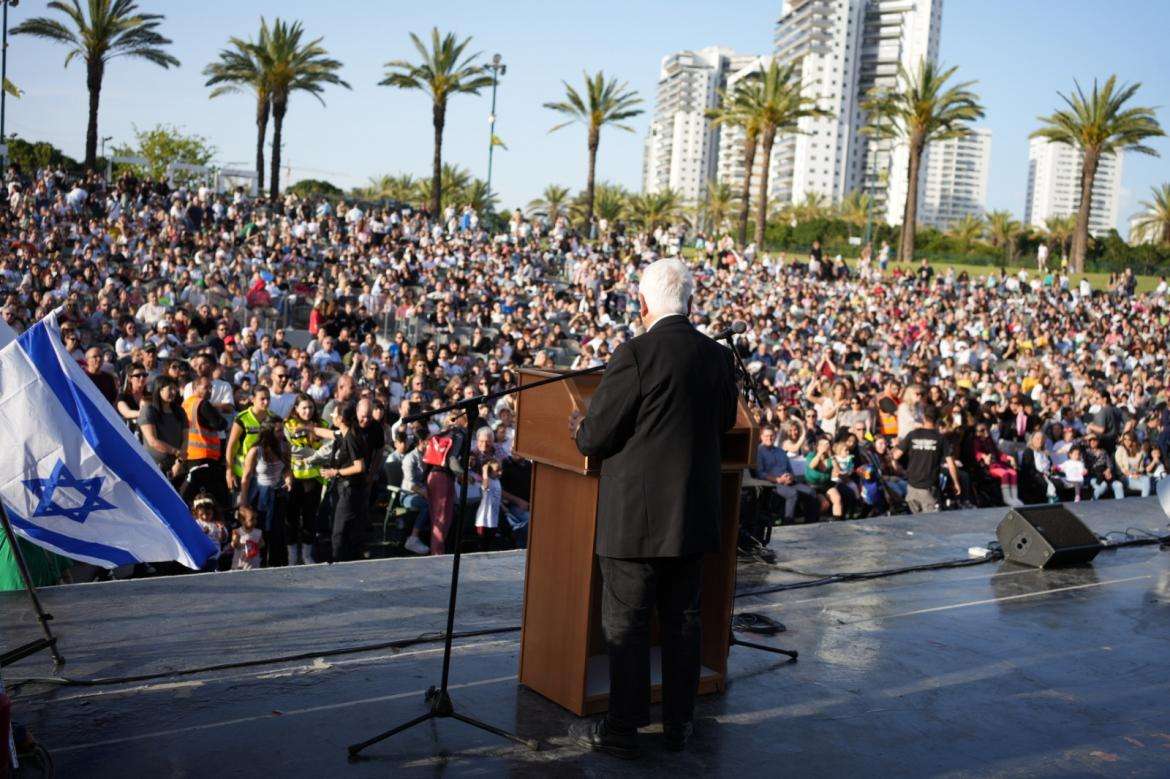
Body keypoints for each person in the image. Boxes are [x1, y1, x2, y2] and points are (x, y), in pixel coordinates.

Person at [569, 258, 737, 757]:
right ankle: (679, 725)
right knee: (683, 622)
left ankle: (622, 729)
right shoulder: (717, 356)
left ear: (642, 304)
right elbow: (725, 421)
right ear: (691, 302)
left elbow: (595, 437)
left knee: (628, 625)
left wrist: (579, 427)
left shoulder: (636, 353)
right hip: (691, 518)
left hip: (635, 522)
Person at [239, 421, 292, 566]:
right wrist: (243, 501)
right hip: (259, 495)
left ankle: (277, 564)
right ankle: (259, 563)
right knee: (260, 530)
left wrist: (288, 479)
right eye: (278, 431)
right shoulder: (256, 451)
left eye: (282, 430)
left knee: (277, 531)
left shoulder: (284, 446)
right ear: (269, 432)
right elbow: (246, 477)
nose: (282, 434)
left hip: (278, 493)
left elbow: (287, 468)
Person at [319, 402, 367, 562]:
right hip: (342, 488)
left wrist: (336, 472)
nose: (331, 416)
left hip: (349, 489)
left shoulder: (352, 438)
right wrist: (307, 429)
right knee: (341, 527)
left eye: (334, 414)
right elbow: (328, 433)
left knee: (340, 530)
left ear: (341, 418)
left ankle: (338, 561)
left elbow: (359, 466)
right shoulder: (343, 434)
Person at [895, 404, 960, 514]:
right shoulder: (940, 438)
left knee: (916, 521)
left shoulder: (912, 435)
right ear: (937, 420)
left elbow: (896, 455)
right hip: (929, 488)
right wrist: (956, 482)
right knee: (931, 522)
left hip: (912, 488)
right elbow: (951, 464)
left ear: (924, 417)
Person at [284, 394, 326, 564]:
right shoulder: (288, 425)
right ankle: (292, 556)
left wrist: (312, 452)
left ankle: (307, 555)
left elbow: (328, 450)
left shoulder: (322, 425)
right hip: (294, 479)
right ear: (296, 409)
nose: (308, 411)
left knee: (310, 518)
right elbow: (290, 450)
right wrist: (315, 453)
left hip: (314, 479)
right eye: (304, 408)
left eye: (311, 407)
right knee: (291, 518)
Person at [754, 426, 817, 524]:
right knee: (792, 493)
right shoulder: (758, 452)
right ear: (761, 437)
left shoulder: (781, 451)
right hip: (772, 483)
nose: (769, 438)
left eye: (771, 435)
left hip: (787, 481)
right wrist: (778, 480)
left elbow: (790, 469)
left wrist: (790, 477)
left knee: (810, 491)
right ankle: (788, 522)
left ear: (775, 436)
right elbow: (760, 473)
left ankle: (810, 523)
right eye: (766, 436)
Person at [138, 375, 188, 487]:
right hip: (154, 467)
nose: (174, 392)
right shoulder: (148, 410)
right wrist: (176, 452)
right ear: (159, 389)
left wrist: (179, 462)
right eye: (170, 389)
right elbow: (153, 441)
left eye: (175, 388)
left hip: (177, 467)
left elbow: (185, 440)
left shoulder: (179, 411)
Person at [231, 505, 264, 570]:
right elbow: (233, 545)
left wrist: (256, 546)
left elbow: (262, 544)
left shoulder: (258, 532)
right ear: (242, 520)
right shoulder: (238, 532)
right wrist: (236, 540)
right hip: (240, 565)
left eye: (256, 518)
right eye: (252, 519)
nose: (255, 521)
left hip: (253, 564)